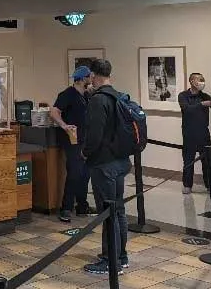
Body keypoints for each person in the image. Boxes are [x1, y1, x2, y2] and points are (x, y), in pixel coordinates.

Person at [82, 59, 130, 275]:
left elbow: (94, 135)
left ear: (93, 75)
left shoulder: (98, 100)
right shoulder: (119, 96)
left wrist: (85, 152)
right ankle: (121, 256)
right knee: (118, 210)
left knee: (107, 213)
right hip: (120, 161)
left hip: (104, 164)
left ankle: (111, 262)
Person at [50, 66, 92, 223]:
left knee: (85, 173)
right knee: (74, 172)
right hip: (72, 139)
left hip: (85, 139)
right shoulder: (67, 94)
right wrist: (64, 125)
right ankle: (66, 208)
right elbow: (54, 111)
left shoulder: (86, 95)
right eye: (89, 77)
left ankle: (82, 206)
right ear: (82, 79)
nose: (91, 79)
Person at [178, 73, 211, 194]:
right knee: (188, 160)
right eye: (200, 80)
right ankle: (187, 185)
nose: (203, 82)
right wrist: (201, 105)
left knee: (207, 161)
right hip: (189, 134)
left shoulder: (205, 96)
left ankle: (209, 186)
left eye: (203, 80)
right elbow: (187, 109)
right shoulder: (183, 96)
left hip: (203, 133)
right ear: (192, 81)